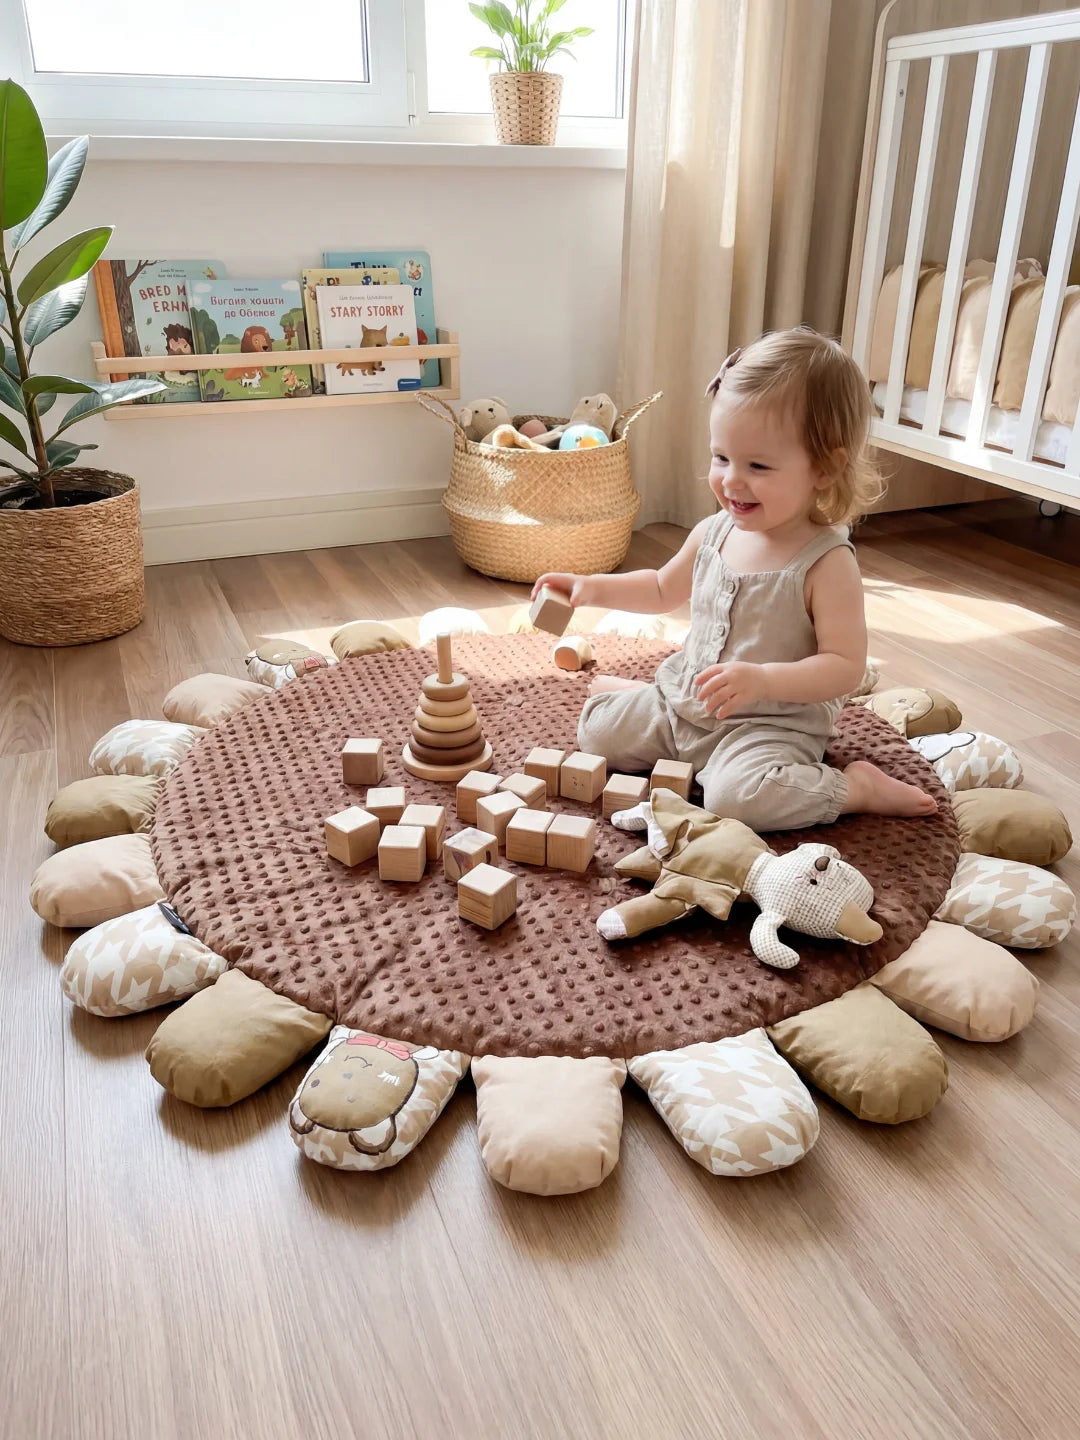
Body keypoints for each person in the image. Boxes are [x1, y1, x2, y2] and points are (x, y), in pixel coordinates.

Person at [532, 327, 936, 832]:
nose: (730, 480)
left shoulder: (827, 563)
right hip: (685, 704)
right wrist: (590, 588)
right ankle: (649, 706)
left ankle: (856, 788)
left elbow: (844, 668)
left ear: (824, 469)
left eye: (758, 466)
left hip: (767, 727)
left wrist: (764, 680)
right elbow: (660, 588)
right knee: (596, 732)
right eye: (721, 457)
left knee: (738, 800)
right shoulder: (714, 532)